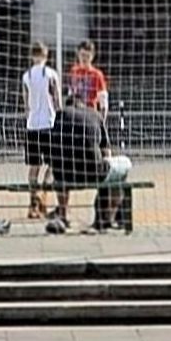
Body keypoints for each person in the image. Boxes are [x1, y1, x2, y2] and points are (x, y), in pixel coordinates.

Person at [66, 41, 120, 231]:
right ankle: (62, 210)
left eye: (87, 56)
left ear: (92, 56)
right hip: (77, 121)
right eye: (81, 55)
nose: (84, 58)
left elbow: (103, 98)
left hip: (92, 120)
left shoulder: (96, 75)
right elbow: (71, 95)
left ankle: (105, 213)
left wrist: (101, 119)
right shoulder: (74, 72)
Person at [19, 43, 63, 230]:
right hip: (49, 123)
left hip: (32, 125)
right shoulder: (50, 74)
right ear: (46, 55)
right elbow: (57, 98)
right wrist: (60, 115)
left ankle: (32, 203)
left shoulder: (26, 76)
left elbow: (25, 102)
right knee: (52, 164)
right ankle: (43, 197)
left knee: (33, 167)